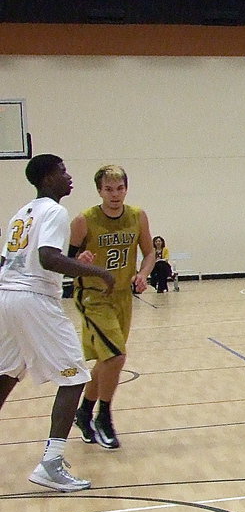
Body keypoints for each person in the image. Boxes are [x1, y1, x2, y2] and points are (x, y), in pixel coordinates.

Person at [1, 155, 115, 491]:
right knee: (74, 376)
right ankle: (50, 463)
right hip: (33, 299)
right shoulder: (55, 211)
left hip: (7, 295)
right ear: (48, 177)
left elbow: (16, 259)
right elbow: (47, 258)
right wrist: (98, 272)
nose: (68, 176)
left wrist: (72, 261)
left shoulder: (22, 213)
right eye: (63, 171)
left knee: (7, 372)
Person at [70, 164, 154, 450]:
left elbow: (150, 251)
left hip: (122, 295)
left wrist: (143, 273)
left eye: (119, 189)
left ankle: (83, 413)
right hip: (93, 295)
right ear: (99, 191)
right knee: (116, 356)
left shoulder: (137, 216)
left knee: (107, 360)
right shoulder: (84, 220)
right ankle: (104, 416)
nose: (115, 195)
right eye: (108, 189)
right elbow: (64, 259)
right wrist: (80, 259)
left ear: (126, 189)